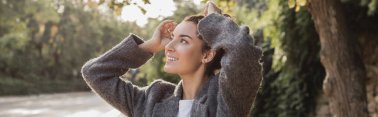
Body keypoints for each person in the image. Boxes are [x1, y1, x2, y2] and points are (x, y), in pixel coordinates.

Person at [81, 2, 263, 117]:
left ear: (207, 54)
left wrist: (215, 21)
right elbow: (95, 73)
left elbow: (243, 53)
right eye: (172, 38)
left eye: (183, 40)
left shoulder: (226, 96)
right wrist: (150, 46)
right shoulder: (152, 99)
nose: (168, 46)